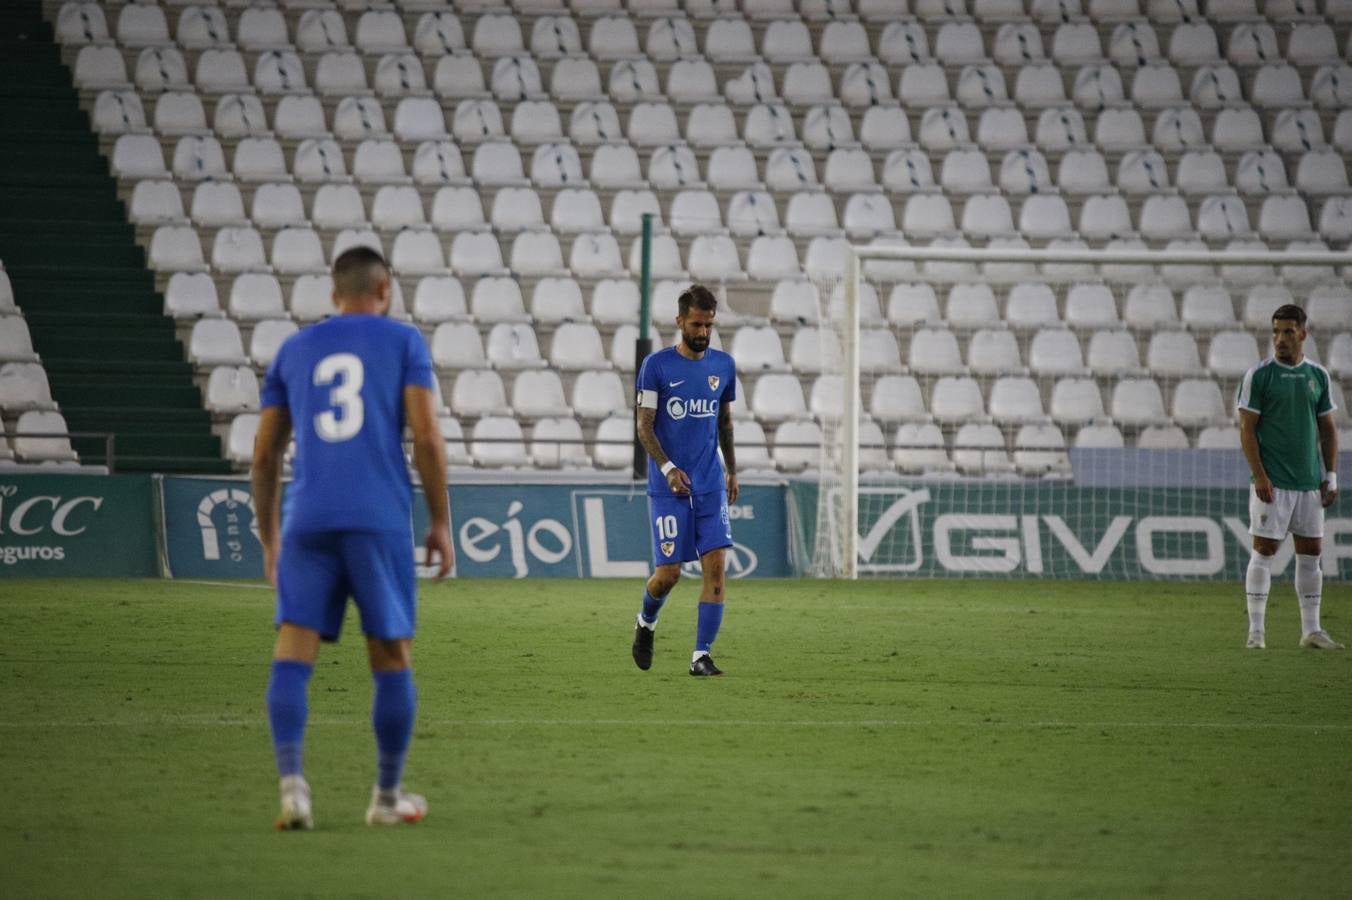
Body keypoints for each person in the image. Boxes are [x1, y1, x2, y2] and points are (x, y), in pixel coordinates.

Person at [252, 246, 454, 830]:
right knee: (391, 655)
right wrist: (440, 522)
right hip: (378, 519)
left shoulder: (294, 349)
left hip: (307, 519)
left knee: (293, 652)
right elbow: (428, 439)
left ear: (333, 293)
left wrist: (270, 538)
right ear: (384, 287)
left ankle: (293, 789)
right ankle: (386, 799)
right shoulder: (403, 343)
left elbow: (265, 454)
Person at [630, 284, 739, 676]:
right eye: (696, 324)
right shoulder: (656, 367)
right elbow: (644, 427)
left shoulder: (723, 366)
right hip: (669, 488)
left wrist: (732, 467)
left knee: (716, 567)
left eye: (709, 325)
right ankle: (646, 622)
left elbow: (724, 421)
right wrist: (667, 468)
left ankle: (701, 656)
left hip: (709, 483)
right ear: (680, 321)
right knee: (669, 575)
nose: (703, 332)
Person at [1237, 303, 1343, 651]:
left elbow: (1328, 429)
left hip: (1309, 483)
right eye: (1275, 332)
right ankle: (1256, 632)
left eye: (1286, 332)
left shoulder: (1318, 376)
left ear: (1302, 334)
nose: (1279, 339)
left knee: (1311, 553)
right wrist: (1259, 476)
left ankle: (1311, 631)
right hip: (1272, 483)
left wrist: (1330, 474)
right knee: (1264, 551)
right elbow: (1247, 431)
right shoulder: (1260, 375)